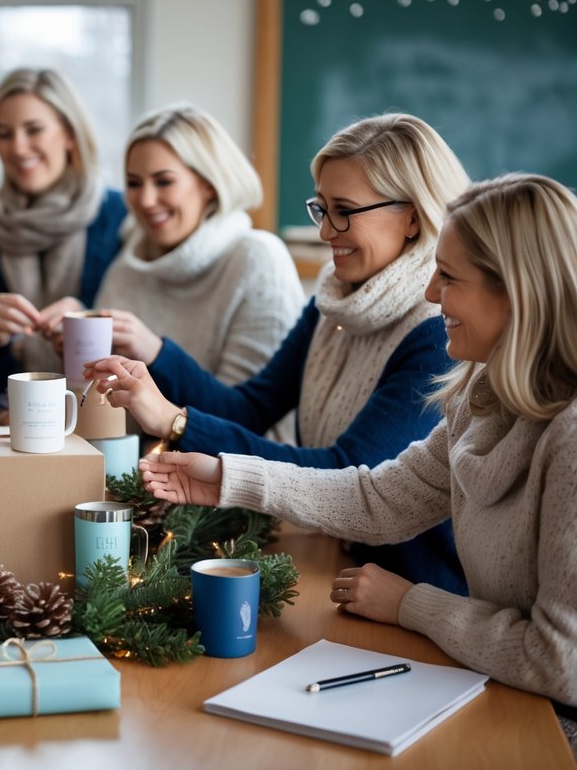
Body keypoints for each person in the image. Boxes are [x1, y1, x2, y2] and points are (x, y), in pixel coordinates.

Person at [138, 173, 577, 716]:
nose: (430, 292)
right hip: (497, 686)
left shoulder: (570, 437)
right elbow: (380, 498)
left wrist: (412, 605)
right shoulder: (480, 398)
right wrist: (230, 478)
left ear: (516, 292)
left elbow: (561, 661)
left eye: (449, 277)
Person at [85, 113, 469, 593]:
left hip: (411, 589)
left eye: (345, 210)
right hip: (337, 565)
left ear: (412, 214)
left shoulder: (438, 334)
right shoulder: (332, 303)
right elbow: (250, 407)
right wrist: (155, 367)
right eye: (321, 208)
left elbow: (349, 475)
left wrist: (177, 424)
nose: (327, 232)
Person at [92, 103, 302, 395]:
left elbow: (249, 417)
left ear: (209, 184)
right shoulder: (126, 269)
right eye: (133, 183)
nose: (146, 200)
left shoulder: (257, 259)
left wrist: (156, 353)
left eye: (164, 181)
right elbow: (100, 397)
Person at [0, 67, 128, 377]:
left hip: (101, 404)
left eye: (34, 129)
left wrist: (88, 321)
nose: (18, 147)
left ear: (69, 135)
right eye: (4, 134)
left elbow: (137, 329)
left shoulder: (120, 214)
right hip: (13, 406)